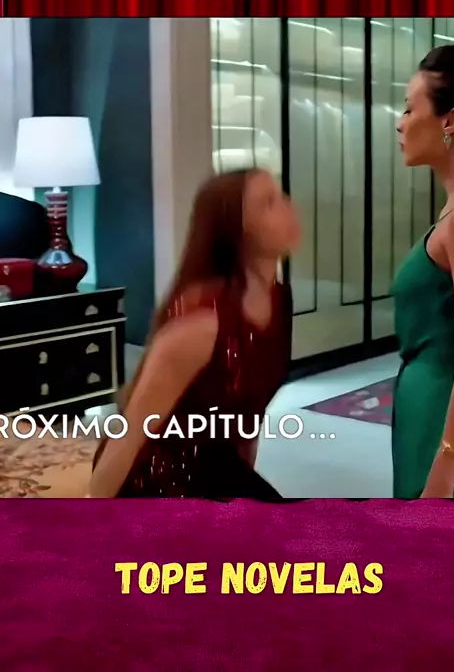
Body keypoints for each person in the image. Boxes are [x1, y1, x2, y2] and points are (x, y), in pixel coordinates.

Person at [88, 167, 301, 499]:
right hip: (156, 482)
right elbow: (131, 433)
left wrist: (245, 484)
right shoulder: (202, 323)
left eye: (282, 196)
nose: (289, 208)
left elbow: (250, 413)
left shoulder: (279, 299)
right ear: (237, 230)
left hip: (213, 466)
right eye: (268, 203)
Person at [393, 42, 454, 498]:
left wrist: (442, 481)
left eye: (410, 108)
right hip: (429, 409)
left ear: (450, 121)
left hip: (447, 422)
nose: (400, 122)